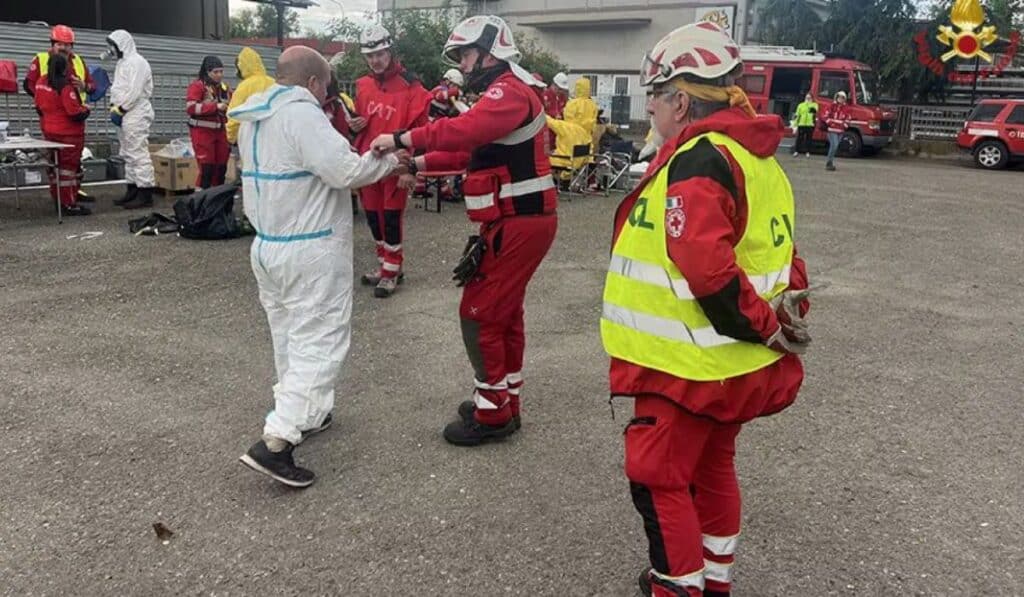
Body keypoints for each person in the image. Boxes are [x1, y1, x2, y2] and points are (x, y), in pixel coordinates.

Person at [599, 22, 812, 596]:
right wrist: (774, 329)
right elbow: (786, 256)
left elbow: (705, 265)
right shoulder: (759, 157)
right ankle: (713, 581)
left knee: (658, 478)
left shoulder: (700, 157)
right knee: (713, 469)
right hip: (732, 363)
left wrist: (765, 327)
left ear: (682, 100)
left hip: (685, 363)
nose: (648, 105)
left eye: (655, 93)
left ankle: (677, 588)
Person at [372, 15, 558, 447]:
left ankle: (492, 414)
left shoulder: (509, 91)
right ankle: (502, 400)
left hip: (518, 223)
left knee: (479, 314)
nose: (464, 65)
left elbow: (463, 131)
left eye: (467, 54)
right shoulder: (508, 94)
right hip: (516, 222)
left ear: (490, 51)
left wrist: (402, 140)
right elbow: (472, 150)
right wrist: (416, 164)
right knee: (504, 313)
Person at [230, 46, 405, 488]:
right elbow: (344, 169)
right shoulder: (303, 115)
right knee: (321, 339)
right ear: (311, 82)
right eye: (326, 85)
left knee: (289, 338)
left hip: (269, 246)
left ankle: (309, 414)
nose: (328, 94)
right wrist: (388, 159)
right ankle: (278, 440)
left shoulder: (254, 119)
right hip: (310, 250)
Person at [352, 23, 430, 299]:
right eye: (370, 56)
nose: (375, 61)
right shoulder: (362, 86)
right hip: (370, 163)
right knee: (373, 218)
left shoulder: (412, 86)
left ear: (390, 52)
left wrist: (411, 169)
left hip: (397, 163)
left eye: (380, 54)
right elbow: (363, 124)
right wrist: (355, 126)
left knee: (391, 218)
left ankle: (391, 271)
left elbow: (421, 131)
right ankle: (386, 264)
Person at [23, 25, 96, 204]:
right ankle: (65, 199)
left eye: (67, 44)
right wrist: (50, 103)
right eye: (59, 44)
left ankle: (72, 192)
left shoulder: (78, 61)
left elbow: (92, 86)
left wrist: (84, 87)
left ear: (72, 46)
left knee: (72, 163)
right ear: (52, 44)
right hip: (63, 122)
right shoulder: (41, 59)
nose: (63, 48)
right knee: (61, 163)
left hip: (71, 121)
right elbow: (29, 85)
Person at [32, 53, 91, 216]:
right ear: (65, 68)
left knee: (54, 167)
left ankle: (58, 198)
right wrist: (86, 109)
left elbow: (38, 107)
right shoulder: (65, 86)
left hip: (50, 132)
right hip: (69, 135)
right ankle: (68, 204)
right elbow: (74, 113)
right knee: (67, 170)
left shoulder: (41, 82)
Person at [104, 29, 156, 210]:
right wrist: (115, 108)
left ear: (122, 44)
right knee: (127, 152)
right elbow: (119, 88)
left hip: (135, 111)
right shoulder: (122, 63)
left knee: (138, 152)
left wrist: (121, 108)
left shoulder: (138, 63)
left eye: (113, 45)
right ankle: (132, 190)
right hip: (125, 112)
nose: (111, 49)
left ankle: (145, 192)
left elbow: (134, 91)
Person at [186, 56, 232, 189]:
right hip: (203, 133)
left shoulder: (224, 88)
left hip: (221, 133)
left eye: (221, 71)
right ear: (207, 72)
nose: (219, 75)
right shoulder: (197, 86)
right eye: (216, 72)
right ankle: (201, 202)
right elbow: (190, 108)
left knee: (221, 169)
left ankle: (216, 201)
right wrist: (215, 107)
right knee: (207, 170)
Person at [226, 47, 276, 148]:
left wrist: (231, 137)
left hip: (250, 139)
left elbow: (234, 116)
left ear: (242, 67)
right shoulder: (273, 83)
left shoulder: (244, 87)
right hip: (274, 137)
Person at [564, 76, 599, 143]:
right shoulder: (593, 105)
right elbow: (593, 122)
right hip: (587, 138)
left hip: (573, 138)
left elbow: (568, 121)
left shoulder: (572, 103)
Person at [822, 90, 850, 171]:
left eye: (842, 98)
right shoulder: (831, 106)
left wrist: (845, 125)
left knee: (835, 146)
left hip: (840, 130)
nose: (841, 99)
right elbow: (825, 115)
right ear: (836, 97)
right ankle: (829, 163)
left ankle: (830, 162)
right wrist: (830, 123)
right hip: (832, 129)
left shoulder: (846, 108)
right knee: (834, 145)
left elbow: (848, 118)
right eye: (839, 97)